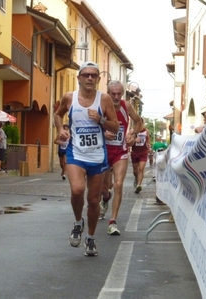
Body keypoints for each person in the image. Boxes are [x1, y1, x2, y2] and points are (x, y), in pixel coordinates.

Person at [54, 61, 119, 256]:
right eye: (86, 75)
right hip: (76, 152)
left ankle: (90, 238)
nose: (90, 78)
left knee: (93, 201)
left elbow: (115, 127)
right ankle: (77, 222)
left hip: (98, 155)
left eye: (93, 75)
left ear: (98, 79)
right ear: (79, 78)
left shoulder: (105, 99)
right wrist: (60, 130)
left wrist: (100, 120)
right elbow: (58, 115)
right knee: (77, 190)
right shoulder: (69, 98)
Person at [98, 80, 143, 236]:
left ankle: (113, 221)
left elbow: (139, 122)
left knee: (118, 184)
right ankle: (105, 197)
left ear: (122, 93)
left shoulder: (126, 106)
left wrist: (134, 134)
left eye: (119, 94)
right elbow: (92, 125)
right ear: (108, 93)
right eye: (113, 94)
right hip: (103, 150)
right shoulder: (101, 105)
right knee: (105, 187)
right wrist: (103, 133)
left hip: (120, 151)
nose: (116, 97)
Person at [131, 120, 151, 194]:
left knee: (141, 169)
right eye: (137, 123)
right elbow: (128, 140)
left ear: (143, 123)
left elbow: (148, 139)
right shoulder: (133, 131)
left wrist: (148, 145)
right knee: (135, 171)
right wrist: (134, 140)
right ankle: (136, 178)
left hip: (143, 152)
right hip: (135, 152)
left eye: (141, 123)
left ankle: (139, 185)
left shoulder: (146, 131)